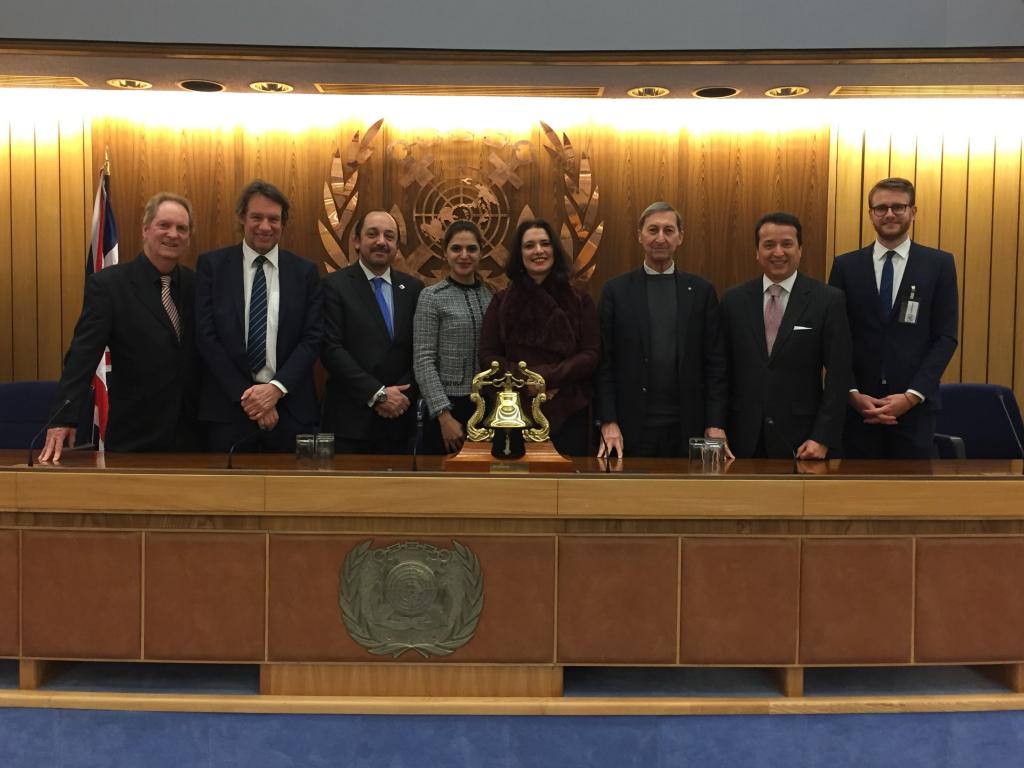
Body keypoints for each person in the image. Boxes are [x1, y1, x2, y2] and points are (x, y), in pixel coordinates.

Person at [38, 192, 202, 461]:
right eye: (164, 225)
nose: (173, 234)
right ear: (146, 229)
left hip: (193, 435)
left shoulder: (198, 286)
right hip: (135, 434)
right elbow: (83, 355)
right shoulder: (109, 286)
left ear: (188, 237)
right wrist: (63, 418)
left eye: (181, 228)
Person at [828, 177, 958, 459]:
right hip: (858, 409)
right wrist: (851, 392)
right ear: (870, 213)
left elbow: (946, 337)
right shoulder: (845, 266)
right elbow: (835, 337)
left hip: (914, 410)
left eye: (898, 207)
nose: (889, 214)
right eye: (881, 208)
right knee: (855, 498)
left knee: (911, 499)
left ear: (913, 211)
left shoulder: (939, 264)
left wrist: (911, 396)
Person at [195, 180, 323, 453]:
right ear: (242, 218)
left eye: (273, 219)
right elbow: (207, 337)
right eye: (256, 217)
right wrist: (251, 399)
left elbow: (312, 339)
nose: (265, 226)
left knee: (292, 495)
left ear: (283, 223)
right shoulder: (212, 266)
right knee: (228, 496)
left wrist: (274, 390)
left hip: (290, 412)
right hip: (228, 412)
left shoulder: (305, 272)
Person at [595, 201, 727, 458]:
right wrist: (608, 420)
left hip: (689, 427)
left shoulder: (701, 292)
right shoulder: (616, 291)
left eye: (668, 230)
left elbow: (716, 364)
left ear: (681, 237)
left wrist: (715, 422)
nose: (660, 238)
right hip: (628, 429)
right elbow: (604, 363)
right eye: (653, 230)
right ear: (640, 236)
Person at [718, 212, 852, 459]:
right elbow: (720, 371)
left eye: (787, 244)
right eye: (768, 245)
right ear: (757, 252)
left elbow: (839, 374)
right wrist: (716, 426)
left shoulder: (828, 300)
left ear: (800, 249)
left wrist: (822, 437)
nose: (778, 252)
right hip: (740, 437)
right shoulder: (732, 301)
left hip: (803, 439)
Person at [478, 218, 599, 456]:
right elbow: (487, 356)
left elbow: (591, 354)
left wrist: (546, 379)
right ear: (519, 254)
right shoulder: (501, 300)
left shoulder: (580, 300)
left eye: (545, 243)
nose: (538, 251)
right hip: (514, 409)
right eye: (529, 245)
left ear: (554, 249)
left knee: (568, 487)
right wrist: (526, 382)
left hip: (569, 407)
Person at [321, 210, 424, 453]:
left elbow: (423, 350)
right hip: (350, 421)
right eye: (372, 234)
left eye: (389, 236)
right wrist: (377, 394)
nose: (381, 241)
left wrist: (400, 395)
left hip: (400, 418)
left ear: (397, 246)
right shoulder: (333, 286)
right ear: (356, 241)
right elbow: (330, 349)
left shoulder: (413, 289)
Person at [412, 220, 493, 455]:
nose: (464, 255)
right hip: (447, 407)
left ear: (481, 253)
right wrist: (443, 415)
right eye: (456, 248)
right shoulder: (431, 297)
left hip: (485, 405)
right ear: (445, 253)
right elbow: (423, 361)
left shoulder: (491, 295)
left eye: (471, 249)